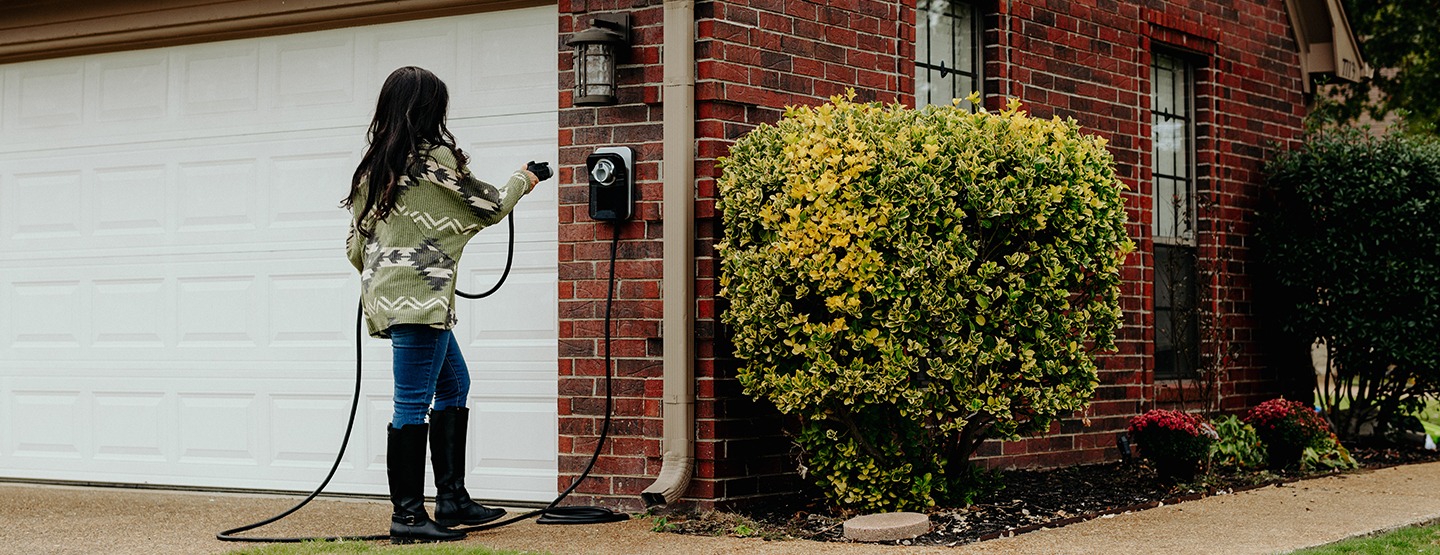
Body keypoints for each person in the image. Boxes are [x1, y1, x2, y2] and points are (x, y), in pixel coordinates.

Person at [343, 66, 551, 544]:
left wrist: (387, 273)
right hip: (420, 300)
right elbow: (487, 206)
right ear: (430, 109)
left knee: (455, 383)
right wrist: (526, 178)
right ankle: (409, 518)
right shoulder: (431, 160)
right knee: (411, 404)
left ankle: (452, 498)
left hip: (394, 299)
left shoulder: (374, 168)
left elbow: (356, 248)